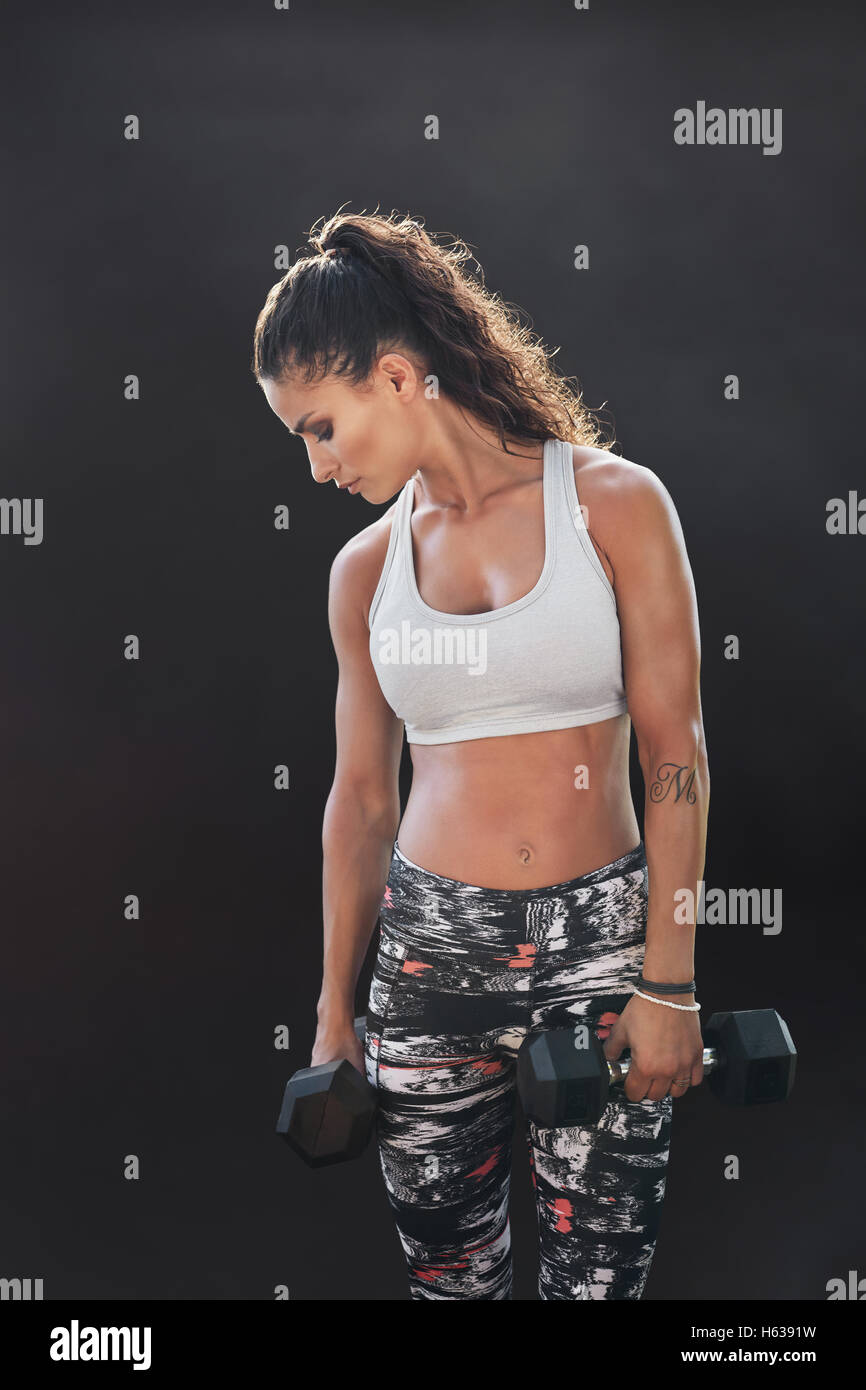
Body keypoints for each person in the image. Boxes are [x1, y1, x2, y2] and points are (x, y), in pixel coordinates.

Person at [252, 208, 709, 1300]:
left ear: (399, 379)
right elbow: (359, 802)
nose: (314, 468)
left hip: (600, 949)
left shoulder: (612, 504)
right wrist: (333, 1013)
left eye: (320, 427)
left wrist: (672, 980)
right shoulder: (363, 572)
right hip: (426, 961)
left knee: (597, 1284)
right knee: (450, 1285)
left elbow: (674, 758)